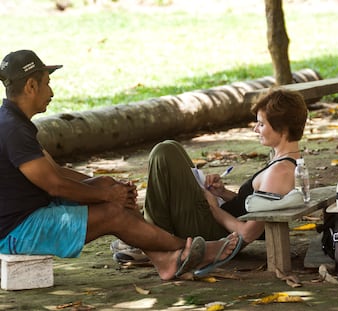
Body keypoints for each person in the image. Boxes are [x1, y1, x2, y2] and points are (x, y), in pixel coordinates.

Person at [0, 49, 242, 281]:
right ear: (31, 86)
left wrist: (110, 189)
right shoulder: (14, 130)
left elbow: (56, 172)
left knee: (109, 186)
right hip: (17, 230)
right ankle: (195, 249)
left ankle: (164, 261)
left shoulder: (13, 122)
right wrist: (106, 196)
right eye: (46, 83)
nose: (51, 91)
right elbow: (54, 185)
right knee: (114, 213)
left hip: (29, 212)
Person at [112, 87, 308, 272]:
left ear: (282, 129)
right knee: (172, 148)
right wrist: (222, 193)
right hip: (217, 221)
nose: (256, 129)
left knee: (163, 152)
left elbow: (248, 233)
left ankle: (149, 240)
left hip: (217, 234)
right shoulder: (284, 161)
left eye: (262, 124)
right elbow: (256, 207)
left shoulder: (280, 172)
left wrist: (214, 208)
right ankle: (148, 234)